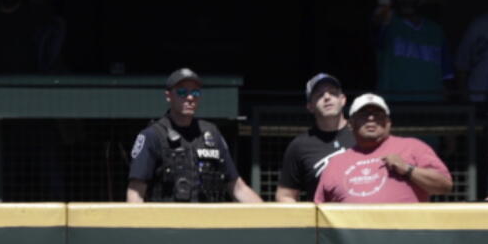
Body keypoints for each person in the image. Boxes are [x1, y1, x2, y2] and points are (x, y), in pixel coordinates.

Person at [127, 68, 262, 204]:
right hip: (168, 222)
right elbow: (135, 193)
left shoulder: (211, 133)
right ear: (168, 96)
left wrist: (270, 215)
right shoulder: (152, 135)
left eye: (195, 92)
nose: (190, 97)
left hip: (207, 221)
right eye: (182, 92)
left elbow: (238, 188)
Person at [312, 93, 452, 203]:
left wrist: (408, 169)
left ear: (389, 123)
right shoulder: (336, 163)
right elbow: (320, 210)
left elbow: (444, 185)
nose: (371, 118)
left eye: (378, 115)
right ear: (350, 124)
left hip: (406, 238)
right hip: (352, 239)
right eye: (364, 115)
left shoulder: (413, 146)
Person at [274, 73, 355, 203]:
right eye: (319, 95)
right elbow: (285, 195)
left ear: (343, 100)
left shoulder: (361, 136)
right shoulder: (299, 145)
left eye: (332, 93)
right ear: (310, 106)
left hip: (362, 219)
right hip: (322, 220)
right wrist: (303, 219)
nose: (327, 97)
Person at [373, 0, 452, 102]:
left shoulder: (435, 31)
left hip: (431, 104)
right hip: (395, 104)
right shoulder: (387, 24)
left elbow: (447, 76)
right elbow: (378, 18)